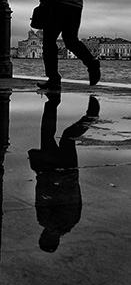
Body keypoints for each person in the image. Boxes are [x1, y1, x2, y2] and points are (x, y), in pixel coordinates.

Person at [28, 93, 100, 252]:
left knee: (62, 136)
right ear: (48, 238)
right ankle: (55, 103)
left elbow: (73, 197)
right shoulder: (51, 221)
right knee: (58, 135)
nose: (44, 234)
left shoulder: (69, 222)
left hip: (64, 172)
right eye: (45, 237)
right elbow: (44, 195)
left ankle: (84, 115)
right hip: (57, 171)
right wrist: (40, 173)